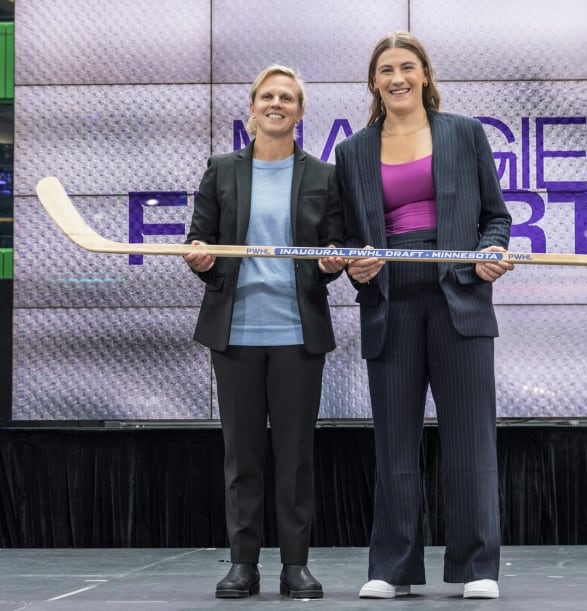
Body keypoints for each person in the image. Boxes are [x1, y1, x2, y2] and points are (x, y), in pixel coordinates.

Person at [334, 31, 514, 600]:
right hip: (390, 299)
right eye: (386, 69)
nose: (397, 78)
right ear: (373, 82)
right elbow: (345, 238)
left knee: (470, 440)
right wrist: (353, 267)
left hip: (459, 294)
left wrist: (489, 254)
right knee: (394, 443)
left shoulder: (464, 134)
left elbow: (496, 218)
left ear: (426, 75)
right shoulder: (354, 150)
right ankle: (393, 568)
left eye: (407, 67)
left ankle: (476, 566)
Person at [184, 64, 347, 600]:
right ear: (252, 108)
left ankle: (295, 565)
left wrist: (330, 265)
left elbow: (334, 248)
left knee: (296, 456)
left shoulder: (324, 175)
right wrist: (202, 260)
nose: (276, 104)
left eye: (287, 98)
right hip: (236, 333)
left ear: (299, 112)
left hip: (298, 333)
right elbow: (199, 241)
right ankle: (243, 564)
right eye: (267, 96)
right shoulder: (221, 169)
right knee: (243, 456)